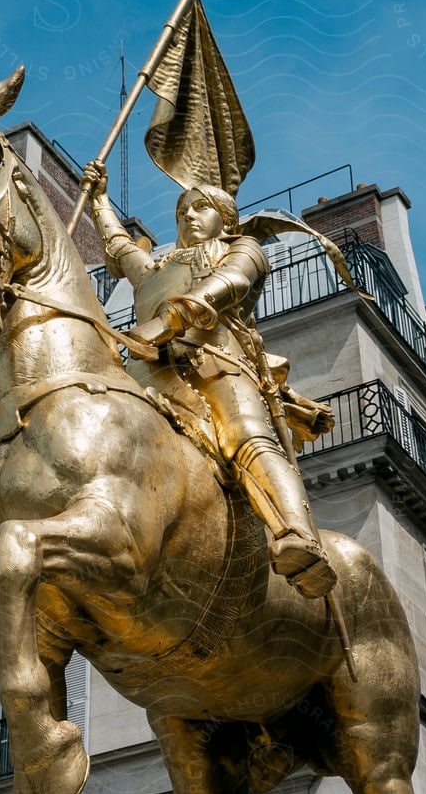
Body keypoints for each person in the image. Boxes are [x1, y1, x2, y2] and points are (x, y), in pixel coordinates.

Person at [83, 159, 334, 599]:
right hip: (147, 372)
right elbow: (121, 248)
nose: (188, 216)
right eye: (182, 212)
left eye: (200, 208)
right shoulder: (156, 270)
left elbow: (230, 284)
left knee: (246, 436)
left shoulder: (242, 249)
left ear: (225, 218)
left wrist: (172, 318)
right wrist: (100, 198)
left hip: (215, 364)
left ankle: (296, 536)